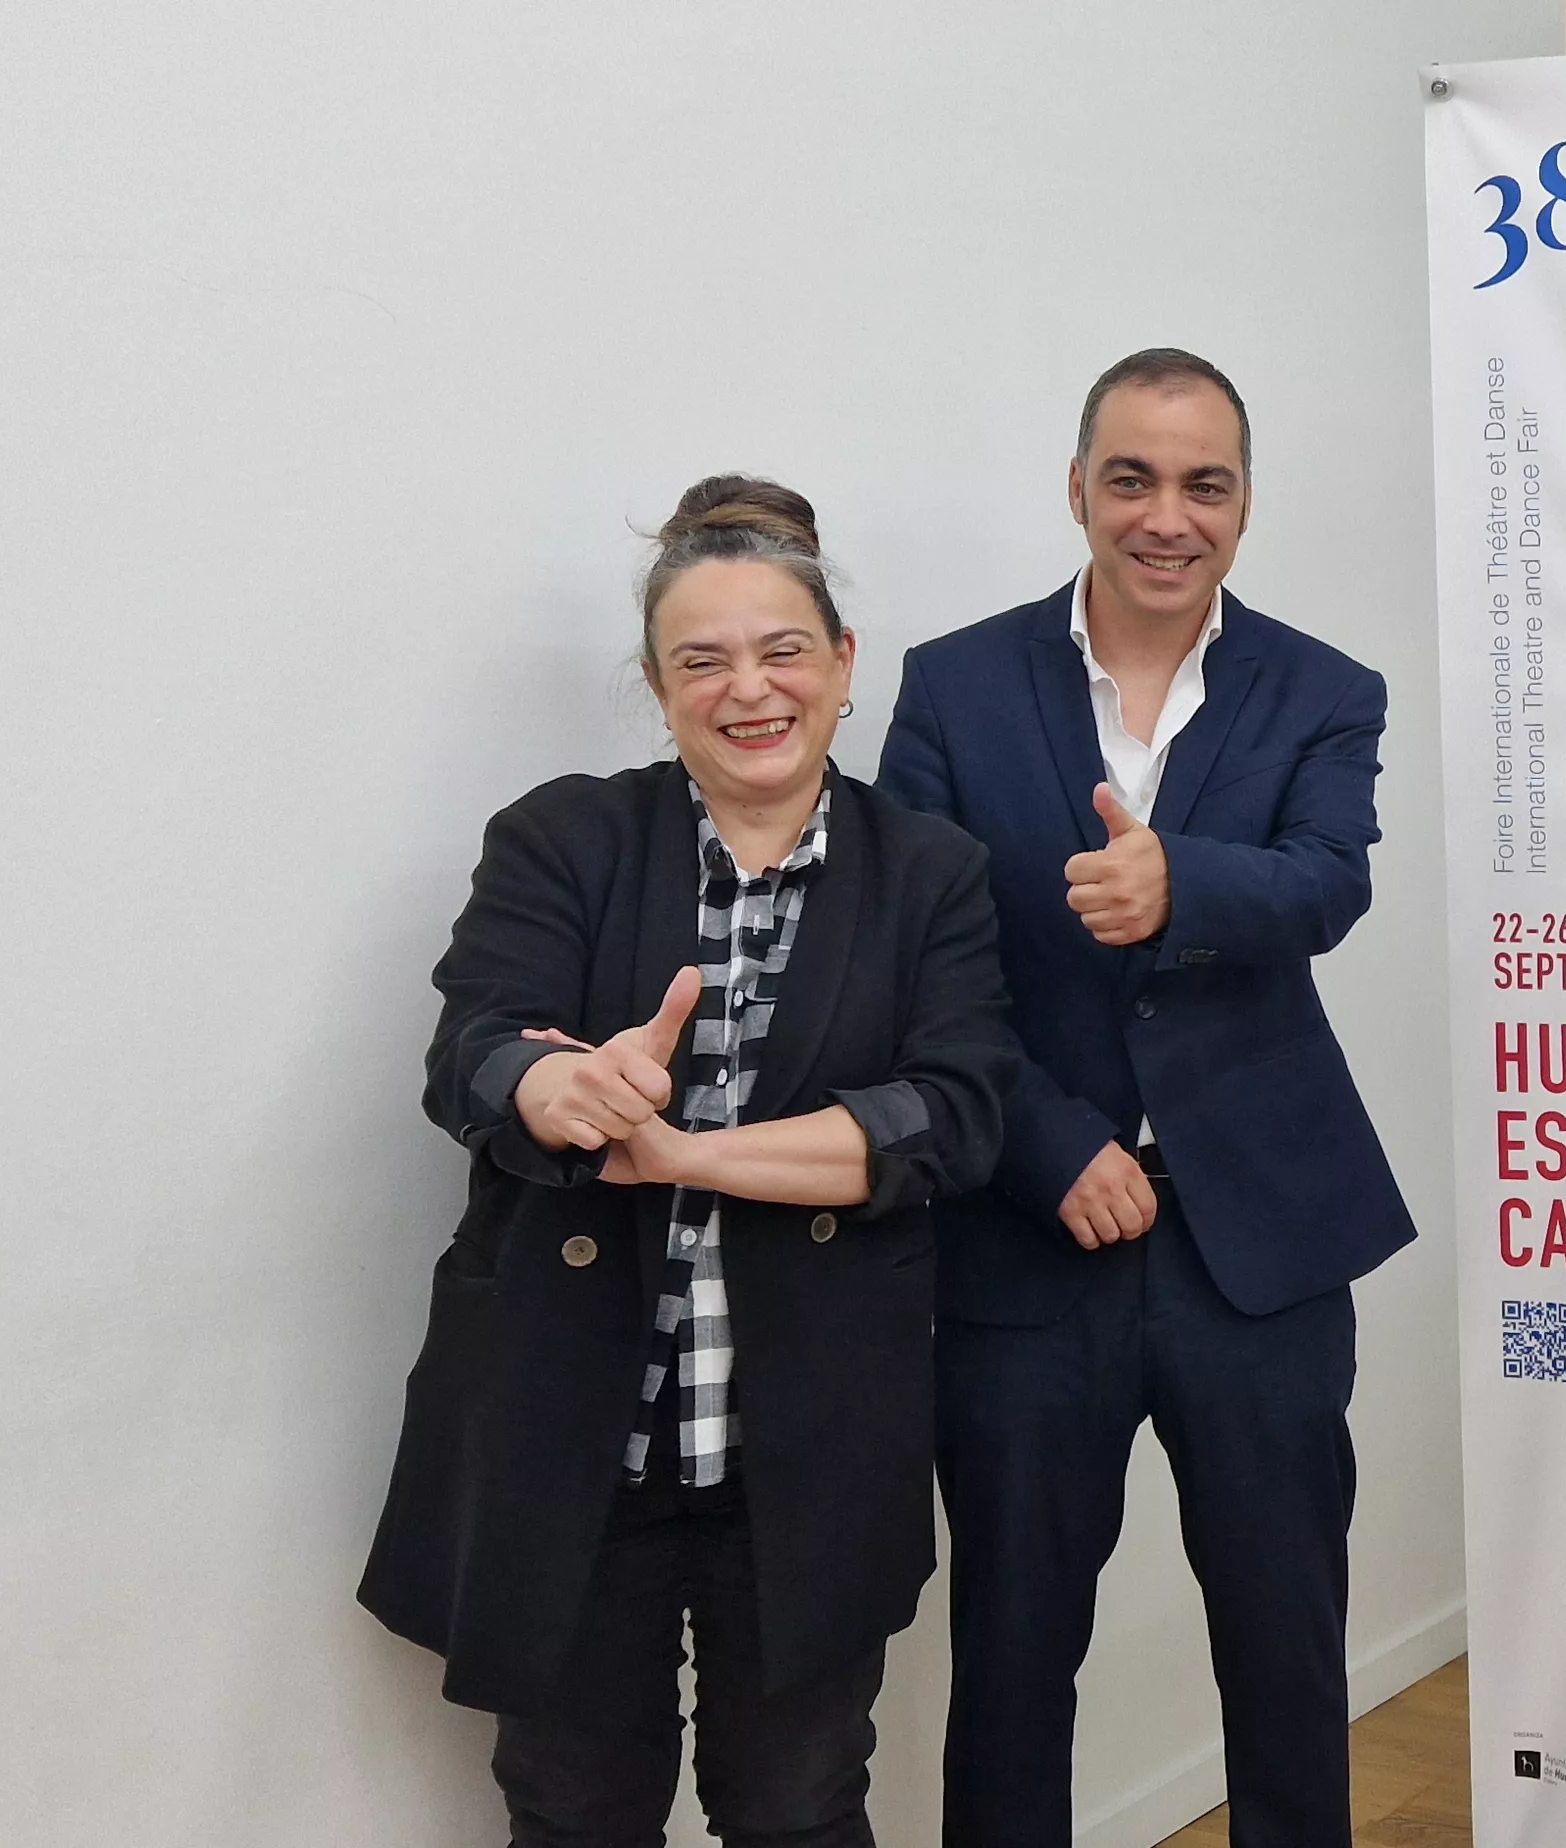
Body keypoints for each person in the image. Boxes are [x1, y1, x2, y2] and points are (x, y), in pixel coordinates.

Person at [362, 476, 1021, 1847]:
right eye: (700, 660)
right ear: (657, 688)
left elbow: (952, 1115)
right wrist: (557, 1084)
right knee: (574, 1811)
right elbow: (471, 1049)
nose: (749, 690)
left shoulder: (932, 873)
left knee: (797, 1812)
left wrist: (685, 1154)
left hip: (809, 1451)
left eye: (784, 650)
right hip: (571, 1444)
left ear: (845, 666)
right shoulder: (564, 837)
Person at [877, 349, 1411, 1848]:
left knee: (1289, 1642)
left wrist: (1182, 882)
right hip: (1031, 1240)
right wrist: (1051, 1146)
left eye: (1203, 484)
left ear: (1243, 505)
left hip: (1261, 1244)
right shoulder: (957, 684)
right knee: (1014, 1656)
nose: (1165, 517)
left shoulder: (1325, 689)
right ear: (1078, 490)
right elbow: (923, 965)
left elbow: (1327, 883)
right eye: (1132, 479)